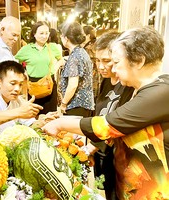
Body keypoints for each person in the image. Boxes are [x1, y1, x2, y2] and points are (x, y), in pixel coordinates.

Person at [42, 26, 169, 199]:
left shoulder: (161, 92)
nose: (113, 70)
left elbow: (108, 124)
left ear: (138, 60)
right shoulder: (138, 89)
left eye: (116, 63)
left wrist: (60, 123)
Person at [87, 31, 134, 200]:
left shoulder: (128, 85)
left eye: (106, 61)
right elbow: (101, 113)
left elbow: (119, 123)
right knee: (107, 192)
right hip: (102, 152)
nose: (100, 66)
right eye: (97, 60)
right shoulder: (105, 81)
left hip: (118, 155)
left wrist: (94, 144)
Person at [0, 60, 58, 133]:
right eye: (13, 83)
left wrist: (44, 121)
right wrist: (18, 112)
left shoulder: (18, 101)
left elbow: (30, 125)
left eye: (20, 84)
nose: (17, 89)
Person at [15, 21, 63, 114]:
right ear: (34, 34)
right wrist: (24, 73)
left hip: (50, 84)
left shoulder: (52, 47)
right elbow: (15, 62)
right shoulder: (26, 49)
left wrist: (56, 67)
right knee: (34, 114)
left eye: (46, 33)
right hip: (34, 85)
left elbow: (61, 60)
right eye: (41, 33)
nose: (44, 36)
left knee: (51, 115)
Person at [59, 21, 94, 117]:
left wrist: (63, 103)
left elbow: (73, 85)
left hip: (76, 105)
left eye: (61, 35)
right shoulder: (81, 52)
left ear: (66, 38)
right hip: (85, 105)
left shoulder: (75, 56)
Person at [82, 25, 100, 103]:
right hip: (98, 79)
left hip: (91, 81)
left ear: (88, 36)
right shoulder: (98, 45)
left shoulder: (88, 48)